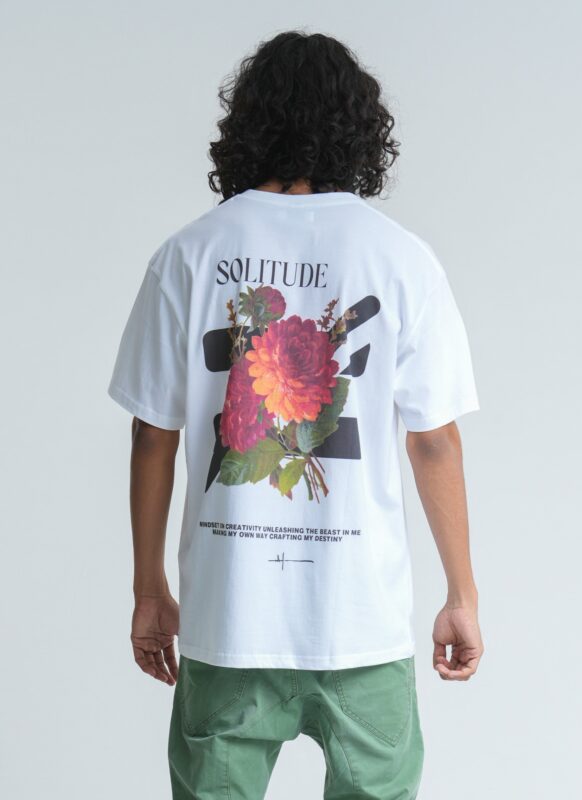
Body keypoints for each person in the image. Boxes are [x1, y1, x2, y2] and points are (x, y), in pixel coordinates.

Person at [108, 29, 483, 800]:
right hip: (362, 623)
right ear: (359, 129)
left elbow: (152, 434)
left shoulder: (189, 254)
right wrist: (462, 596)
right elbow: (435, 443)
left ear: (247, 125)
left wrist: (149, 589)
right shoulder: (401, 258)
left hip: (229, 620)